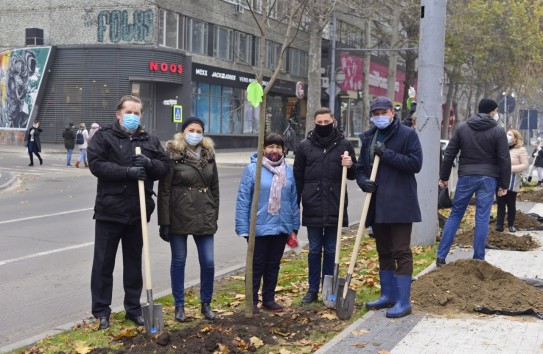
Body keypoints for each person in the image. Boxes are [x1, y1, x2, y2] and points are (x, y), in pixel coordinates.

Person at [87, 95, 170, 330]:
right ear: (118, 114)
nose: (133, 116)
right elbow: (97, 165)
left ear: (141, 115)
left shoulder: (149, 140)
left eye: (137, 112)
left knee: (134, 263)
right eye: (129, 112)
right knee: (103, 264)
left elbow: (164, 167)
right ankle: (101, 311)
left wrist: (149, 164)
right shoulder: (104, 137)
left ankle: (133, 309)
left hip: (137, 211)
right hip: (109, 211)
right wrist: (128, 172)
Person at [355, 96, 423, 319]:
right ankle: (388, 295)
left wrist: (388, 154)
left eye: (384, 113)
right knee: (383, 251)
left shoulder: (407, 134)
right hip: (377, 204)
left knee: (400, 251)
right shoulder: (369, 137)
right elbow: (360, 167)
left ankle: (403, 302)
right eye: (376, 114)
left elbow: (415, 164)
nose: (380, 117)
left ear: (392, 113)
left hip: (400, 203)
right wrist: (363, 181)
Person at [157, 116, 220, 322]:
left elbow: (215, 188)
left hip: (204, 214)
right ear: (183, 132)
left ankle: (206, 303)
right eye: (191, 130)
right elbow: (164, 190)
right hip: (179, 214)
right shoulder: (172, 154)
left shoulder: (209, 154)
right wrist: (164, 222)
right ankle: (179, 306)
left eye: (199, 131)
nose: (195, 134)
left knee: (208, 262)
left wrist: (214, 213)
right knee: (179, 261)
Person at [293, 107, 356, 304]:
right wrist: (295, 204)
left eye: (326, 122)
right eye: (319, 123)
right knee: (314, 250)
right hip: (312, 205)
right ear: (314, 123)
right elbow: (298, 177)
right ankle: (312, 289)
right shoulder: (304, 146)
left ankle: (328, 289)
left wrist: (351, 164)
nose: (323, 126)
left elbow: (353, 175)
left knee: (331, 250)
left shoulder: (344, 145)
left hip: (335, 204)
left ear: (333, 121)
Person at [437, 98, 511, 266]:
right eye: (496, 110)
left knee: (455, 215)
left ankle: (441, 256)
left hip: (466, 177)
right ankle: (478, 259)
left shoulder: (462, 127)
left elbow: (449, 153)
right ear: (492, 111)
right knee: (482, 218)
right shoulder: (498, 131)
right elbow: (504, 160)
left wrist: (444, 177)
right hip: (488, 179)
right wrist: (504, 184)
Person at [235, 133, 300, 315]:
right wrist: (243, 228)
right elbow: (243, 200)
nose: (274, 150)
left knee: (273, 265)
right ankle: (252, 301)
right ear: (263, 149)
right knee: (256, 266)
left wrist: (294, 225)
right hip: (259, 228)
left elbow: (293, 199)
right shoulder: (252, 169)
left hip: (281, 226)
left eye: (278, 147)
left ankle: (269, 299)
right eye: (271, 147)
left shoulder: (287, 170)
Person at [495, 129, 528, 232]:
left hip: (513, 181)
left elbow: (525, 165)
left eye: (510, 135)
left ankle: (510, 225)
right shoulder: (501, 147)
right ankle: (499, 225)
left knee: (511, 204)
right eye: (506, 134)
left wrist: (510, 168)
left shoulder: (521, 150)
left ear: (515, 138)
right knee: (500, 204)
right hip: (500, 179)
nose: (507, 136)